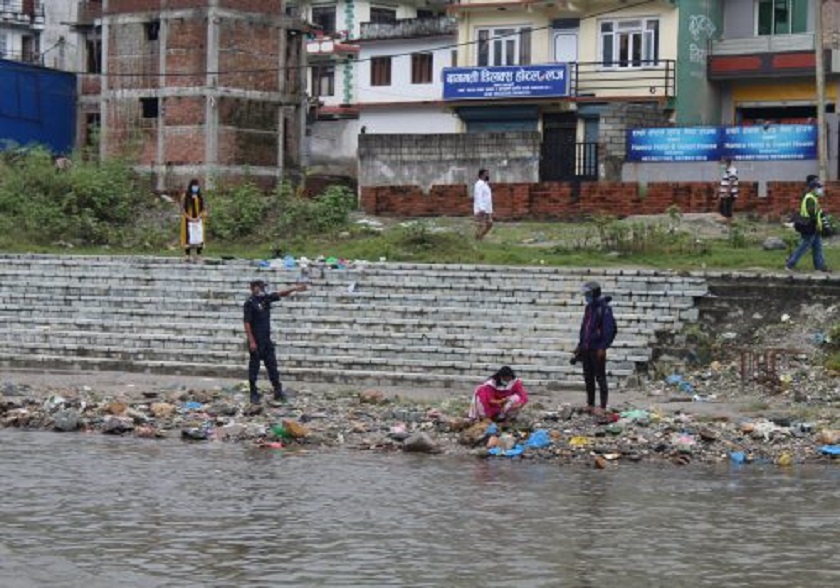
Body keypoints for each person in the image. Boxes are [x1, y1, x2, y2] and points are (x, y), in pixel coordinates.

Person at [244, 279, 307, 404]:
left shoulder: (265, 299)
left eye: (263, 287)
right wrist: (251, 341)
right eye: (260, 287)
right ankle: (253, 393)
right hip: (256, 340)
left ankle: (277, 390)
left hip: (266, 339)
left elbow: (280, 294)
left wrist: (294, 289)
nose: (262, 289)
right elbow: (247, 323)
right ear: (253, 288)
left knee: (272, 365)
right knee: (254, 367)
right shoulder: (249, 303)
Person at [573, 281, 617, 414]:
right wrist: (580, 345)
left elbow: (610, 330)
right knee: (588, 377)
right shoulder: (589, 308)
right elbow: (584, 329)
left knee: (600, 377)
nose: (586, 296)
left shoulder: (604, 309)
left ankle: (603, 406)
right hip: (586, 347)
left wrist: (603, 347)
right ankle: (590, 404)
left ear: (594, 293)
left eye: (588, 293)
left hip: (597, 349)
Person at [786, 175, 831, 273]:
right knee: (803, 247)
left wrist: (821, 223)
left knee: (817, 247)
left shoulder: (813, 198)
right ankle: (790, 264)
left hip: (814, 227)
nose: (821, 190)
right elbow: (813, 214)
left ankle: (820, 267)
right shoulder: (810, 198)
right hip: (809, 227)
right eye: (819, 188)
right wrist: (820, 221)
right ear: (814, 189)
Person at [180, 179, 207, 263]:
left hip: (198, 219)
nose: (195, 187)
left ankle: (198, 255)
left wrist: (198, 217)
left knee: (199, 237)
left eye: (197, 185)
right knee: (188, 237)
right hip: (187, 220)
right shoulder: (185, 196)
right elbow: (182, 208)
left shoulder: (200, 196)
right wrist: (189, 217)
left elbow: (203, 208)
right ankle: (187, 255)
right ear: (190, 186)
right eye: (194, 185)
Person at [474, 168, 493, 241]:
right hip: (481, 209)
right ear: (482, 175)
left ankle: (480, 237)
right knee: (480, 225)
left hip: (487, 209)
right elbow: (478, 196)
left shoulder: (485, 184)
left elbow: (487, 198)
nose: (488, 175)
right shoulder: (479, 184)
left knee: (489, 224)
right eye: (486, 174)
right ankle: (477, 239)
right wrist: (481, 208)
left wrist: (489, 209)